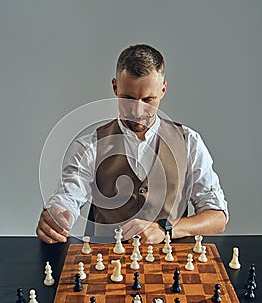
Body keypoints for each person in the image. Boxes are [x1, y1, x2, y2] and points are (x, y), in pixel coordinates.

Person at [36, 44, 228, 244]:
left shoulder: (189, 142)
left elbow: (217, 217)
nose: (137, 112)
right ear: (115, 87)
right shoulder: (89, 146)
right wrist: (56, 215)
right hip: (107, 265)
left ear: (163, 90)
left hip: (171, 266)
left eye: (148, 100)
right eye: (128, 98)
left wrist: (166, 229)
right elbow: (68, 196)